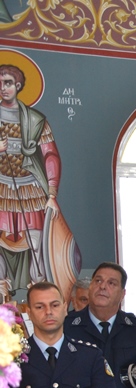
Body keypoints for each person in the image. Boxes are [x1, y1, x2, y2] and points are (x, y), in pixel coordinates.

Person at [0, 64, 79, 301]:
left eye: (8, 83)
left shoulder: (35, 120)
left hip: (30, 189)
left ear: (18, 86)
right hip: (1, 188)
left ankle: (40, 294)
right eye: (0, 83)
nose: (3, 88)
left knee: (36, 242)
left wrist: (51, 193)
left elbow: (50, 155)